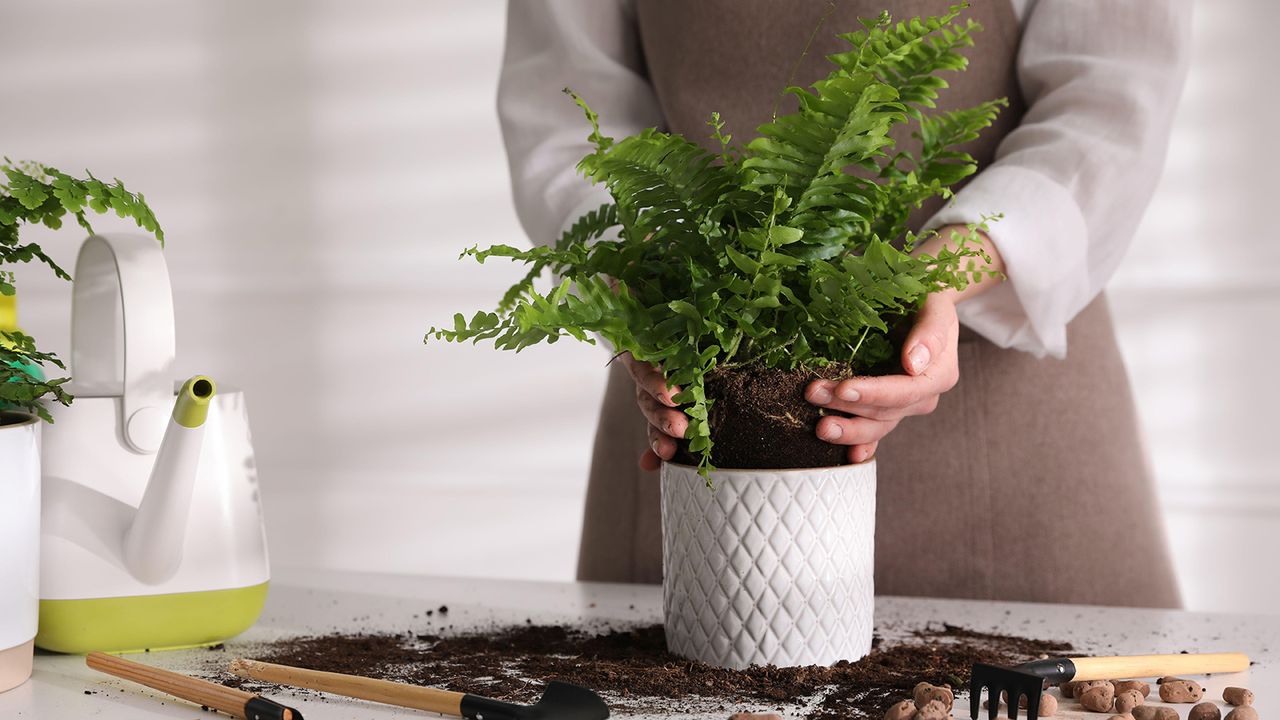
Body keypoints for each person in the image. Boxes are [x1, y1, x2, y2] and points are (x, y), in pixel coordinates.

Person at [497, 0, 1190, 608]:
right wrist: (643, 288)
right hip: (694, 420)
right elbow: (564, 112)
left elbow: (1112, 102)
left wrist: (926, 283)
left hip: (1011, 448)